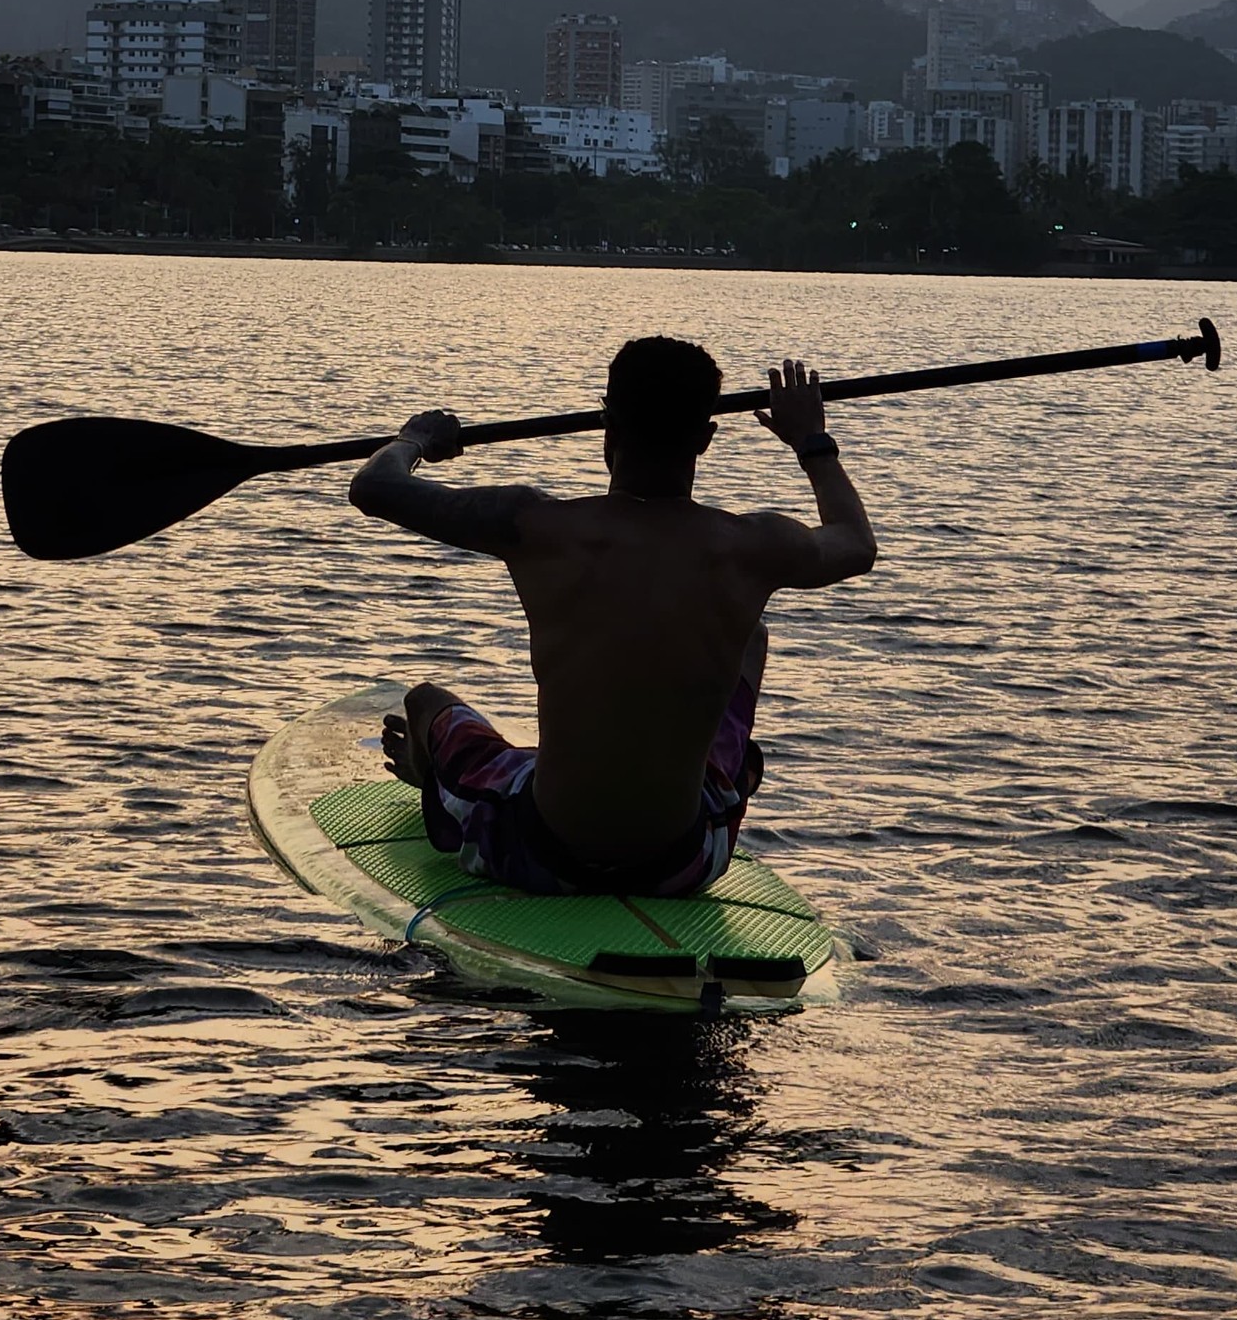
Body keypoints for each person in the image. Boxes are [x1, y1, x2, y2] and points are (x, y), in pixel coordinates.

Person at [347, 334, 877, 898]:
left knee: (426, 702)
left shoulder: (534, 525)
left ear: (608, 425)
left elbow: (376, 486)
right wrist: (811, 441)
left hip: (542, 851)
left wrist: (417, 439)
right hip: (687, 860)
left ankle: (440, 785)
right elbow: (855, 542)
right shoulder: (755, 545)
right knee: (749, 637)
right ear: (705, 438)